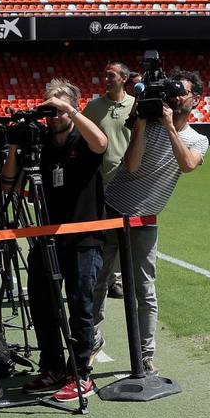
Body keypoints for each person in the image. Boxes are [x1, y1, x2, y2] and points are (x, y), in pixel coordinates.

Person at [92, 70, 209, 376]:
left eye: (181, 92)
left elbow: (186, 165)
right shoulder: (149, 124)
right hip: (112, 207)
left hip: (146, 218)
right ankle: (89, 339)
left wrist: (170, 126)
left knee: (146, 289)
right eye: (172, 91)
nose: (174, 96)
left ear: (195, 100)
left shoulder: (198, 139)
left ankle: (146, 355)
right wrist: (142, 122)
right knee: (99, 278)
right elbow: (130, 166)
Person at [6, 80, 109, 402]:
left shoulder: (83, 138)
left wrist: (71, 111)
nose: (53, 115)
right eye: (49, 108)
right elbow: (10, 181)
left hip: (84, 238)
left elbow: (102, 143)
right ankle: (51, 367)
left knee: (80, 305)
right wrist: (13, 143)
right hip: (46, 238)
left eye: (59, 108)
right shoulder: (41, 144)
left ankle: (81, 373)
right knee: (42, 304)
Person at [83, 62, 135, 303]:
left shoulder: (136, 106)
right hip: (101, 183)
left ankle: (118, 279)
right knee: (105, 237)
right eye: (105, 74)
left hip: (130, 182)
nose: (106, 78)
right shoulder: (93, 107)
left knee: (128, 235)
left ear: (124, 78)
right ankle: (106, 281)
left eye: (111, 75)